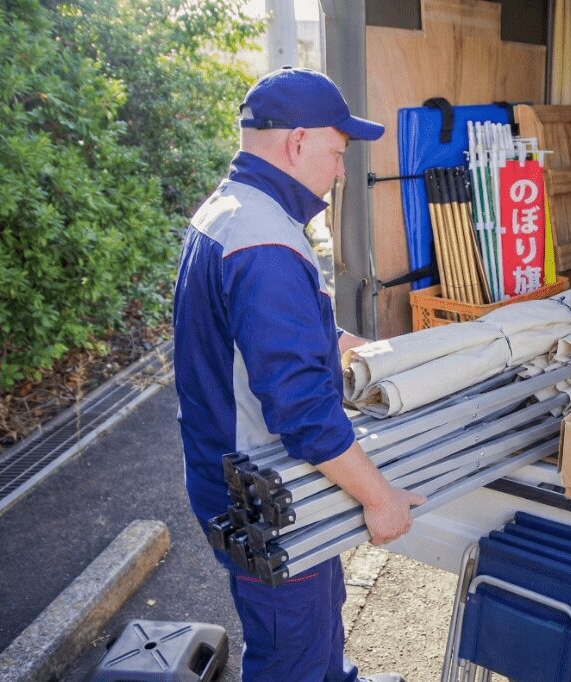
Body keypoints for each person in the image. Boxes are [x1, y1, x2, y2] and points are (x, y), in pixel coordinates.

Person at [173, 66, 424, 682]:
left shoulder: (231, 211)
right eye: (337, 154)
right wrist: (381, 498)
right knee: (292, 653)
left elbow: (248, 332)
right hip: (267, 498)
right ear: (297, 141)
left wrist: (342, 345)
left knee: (315, 623)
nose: (341, 173)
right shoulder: (265, 245)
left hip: (229, 474)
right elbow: (304, 415)